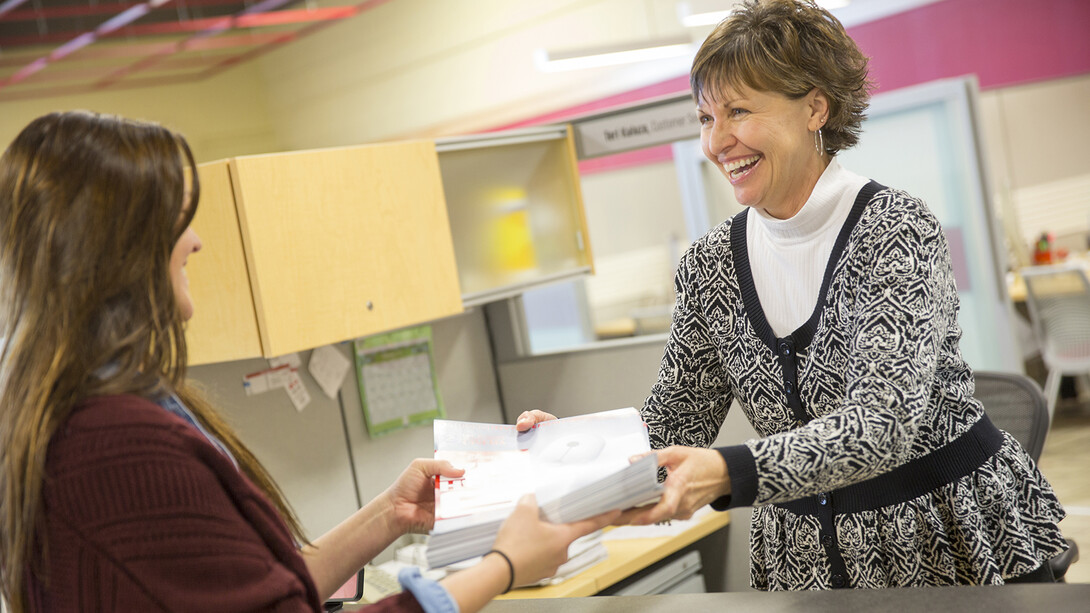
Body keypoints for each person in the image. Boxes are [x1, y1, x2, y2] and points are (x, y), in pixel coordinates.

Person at [517, 0, 1069, 591]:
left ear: (815, 108)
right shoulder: (710, 269)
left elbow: (885, 422)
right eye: (705, 117)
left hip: (944, 542)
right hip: (804, 560)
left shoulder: (894, 230)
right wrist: (581, 451)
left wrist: (730, 471)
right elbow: (674, 426)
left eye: (738, 111)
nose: (717, 141)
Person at [0, 110, 617, 613]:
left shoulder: (113, 413)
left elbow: (263, 593)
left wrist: (389, 516)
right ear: (118, 250)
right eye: (177, 220)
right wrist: (502, 568)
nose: (196, 239)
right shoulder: (114, 447)